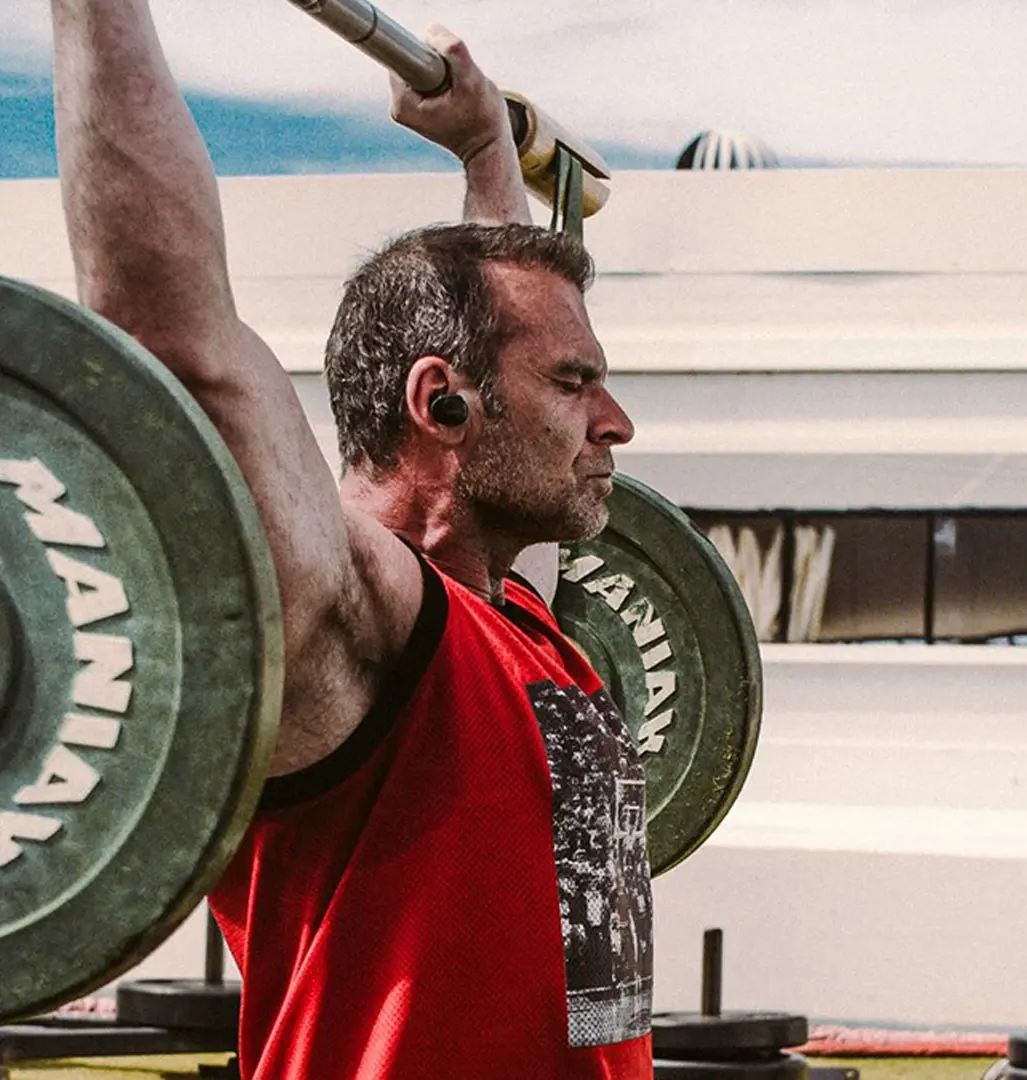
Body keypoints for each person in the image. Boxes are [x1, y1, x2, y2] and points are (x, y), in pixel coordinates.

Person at [49, 2, 652, 1077]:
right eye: (576, 385)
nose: (616, 423)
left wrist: (484, 155)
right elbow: (176, 346)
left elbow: (494, 322)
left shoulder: (513, 621)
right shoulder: (357, 626)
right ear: (443, 405)